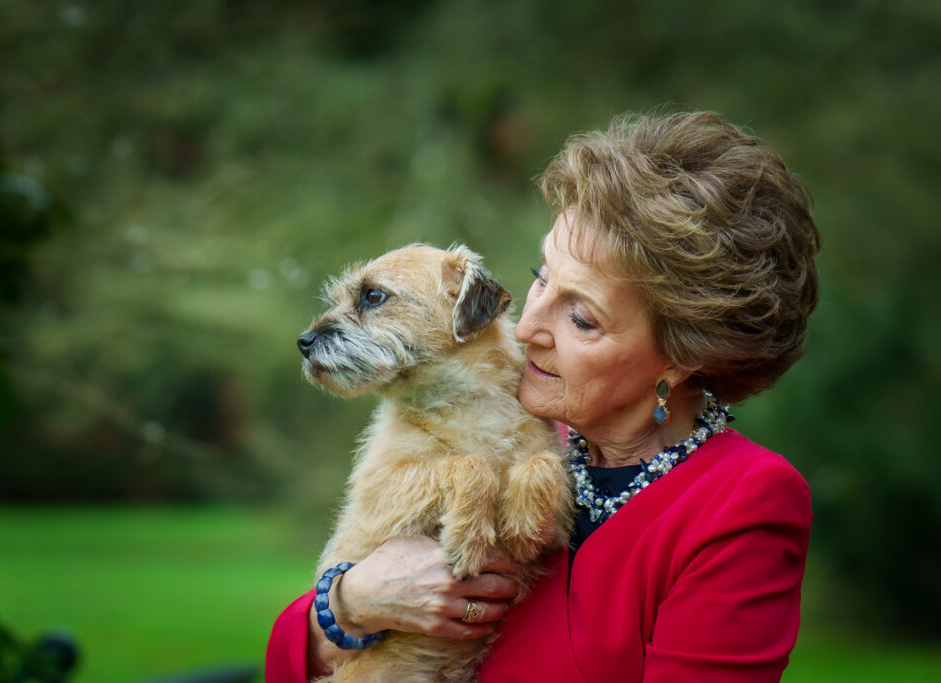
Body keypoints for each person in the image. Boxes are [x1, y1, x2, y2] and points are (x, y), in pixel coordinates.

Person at [265, 110, 820, 682]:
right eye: (541, 276)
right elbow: (289, 654)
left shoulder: (741, 503)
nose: (527, 327)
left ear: (680, 358)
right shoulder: (512, 434)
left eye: (581, 318)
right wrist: (351, 606)